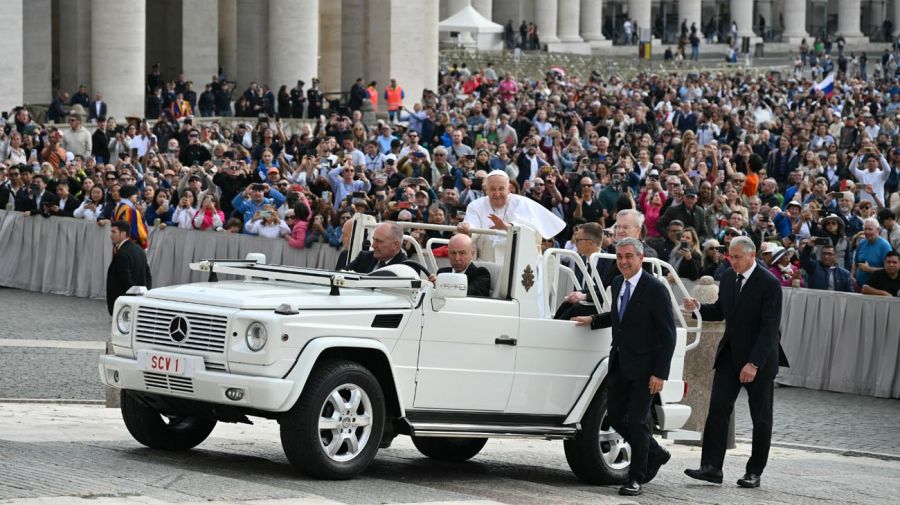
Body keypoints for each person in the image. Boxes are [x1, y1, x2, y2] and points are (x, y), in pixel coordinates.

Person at [572, 237, 676, 496]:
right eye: (619, 256)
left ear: (641, 258)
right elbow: (620, 316)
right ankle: (654, 452)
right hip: (619, 363)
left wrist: (660, 373)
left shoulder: (655, 288)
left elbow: (668, 334)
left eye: (629, 256)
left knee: (638, 422)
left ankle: (636, 477)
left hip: (646, 369)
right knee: (617, 416)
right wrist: (593, 320)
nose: (624, 261)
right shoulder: (618, 283)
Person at [683, 236, 789, 489]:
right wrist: (698, 307)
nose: (733, 260)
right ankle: (711, 467)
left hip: (759, 359)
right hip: (730, 355)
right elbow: (720, 311)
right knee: (718, 408)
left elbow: (769, 329)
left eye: (738, 256)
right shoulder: (729, 277)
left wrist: (754, 363)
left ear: (752, 256)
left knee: (760, 418)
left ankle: (754, 471)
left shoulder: (770, 283)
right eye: (730, 256)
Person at [459, 170, 565, 262]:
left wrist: (506, 226)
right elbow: (471, 225)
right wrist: (467, 228)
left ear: (509, 188)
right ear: (486, 189)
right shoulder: (476, 205)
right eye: (492, 189)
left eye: (501, 189)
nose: (497, 193)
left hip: (515, 263)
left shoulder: (521, 202)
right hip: (485, 263)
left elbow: (530, 229)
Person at [554, 222, 604, 319]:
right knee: (566, 304)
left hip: (600, 307)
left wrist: (585, 296)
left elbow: (604, 290)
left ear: (590, 243)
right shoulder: (580, 261)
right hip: (583, 304)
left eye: (578, 240)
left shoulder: (609, 262)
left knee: (575, 308)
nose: (575, 243)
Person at [106, 220, 151, 315]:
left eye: (114, 232)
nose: (111, 235)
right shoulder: (139, 249)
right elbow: (148, 276)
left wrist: (132, 298)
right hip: (137, 304)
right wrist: (144, 294)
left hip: (124, 306)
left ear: (123, 234)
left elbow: (126, 280)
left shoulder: (122, 253)